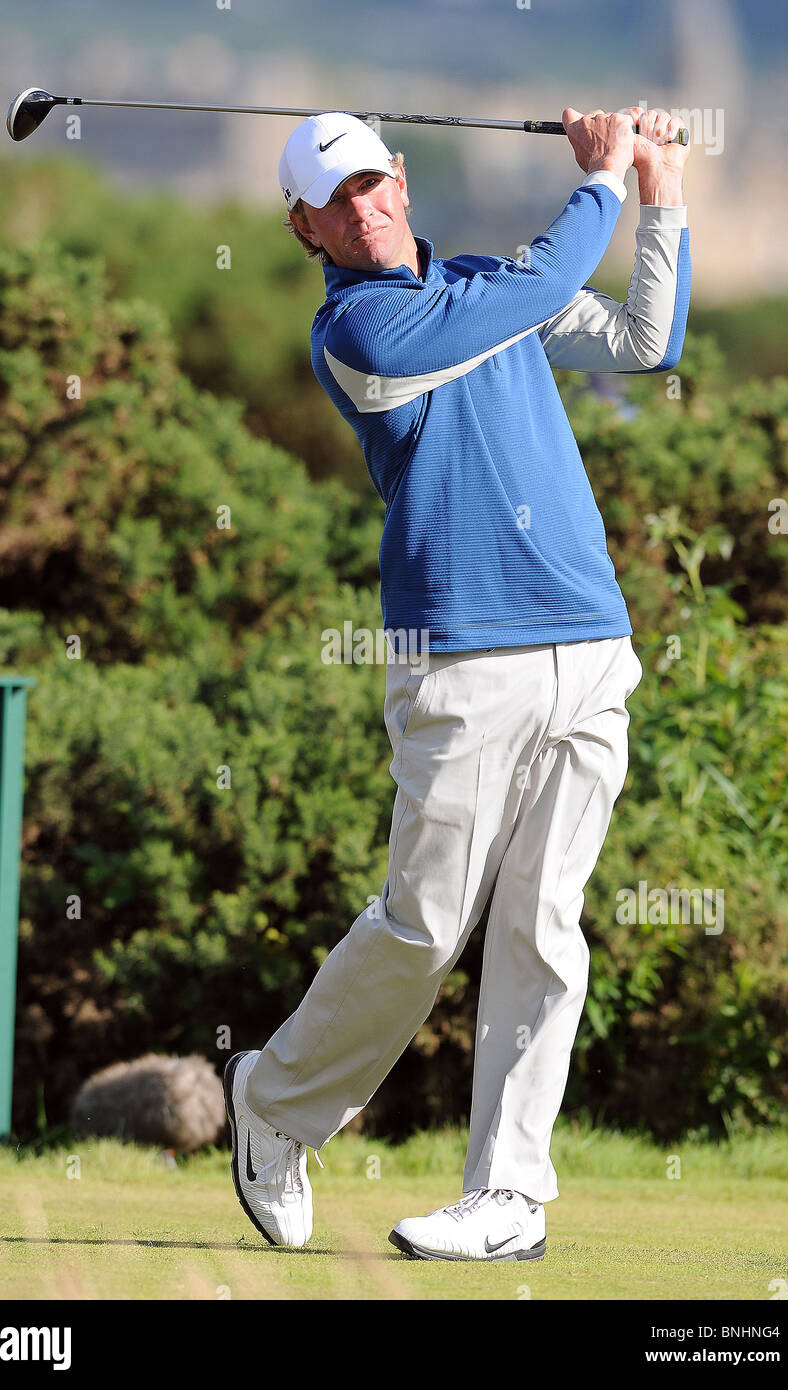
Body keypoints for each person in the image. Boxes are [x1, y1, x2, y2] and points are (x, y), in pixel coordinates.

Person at [224, 104, 690, 1261]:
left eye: (375, 183)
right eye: (335, 202)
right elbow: (530, 296)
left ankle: (508, 1198)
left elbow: (647, 343)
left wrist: (661, 191)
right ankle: (274, 1106)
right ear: (304, 230)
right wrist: (598, 181)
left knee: (547, 925)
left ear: (403, 186)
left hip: (587, 640)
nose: (363, 208)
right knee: (425, 925)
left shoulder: (491, 284)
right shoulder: (364, 331)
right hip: (460, 658)